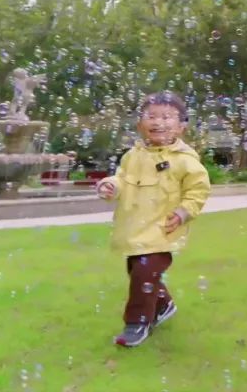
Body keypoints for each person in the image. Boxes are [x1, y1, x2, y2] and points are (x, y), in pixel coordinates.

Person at [95, 91, 211, 347]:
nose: (158, 122)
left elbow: (198, 191)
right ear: (140, 124)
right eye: (152, 116)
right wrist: (110, 186)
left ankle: (136, 323)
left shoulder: (185, 161)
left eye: (167, 117)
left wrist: (183, 212)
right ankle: (164, 304)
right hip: (134, 228)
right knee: (138, 272)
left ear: (181, 127)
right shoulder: (132, 156)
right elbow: (122, 179)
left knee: (144, 273)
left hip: (162, 230)